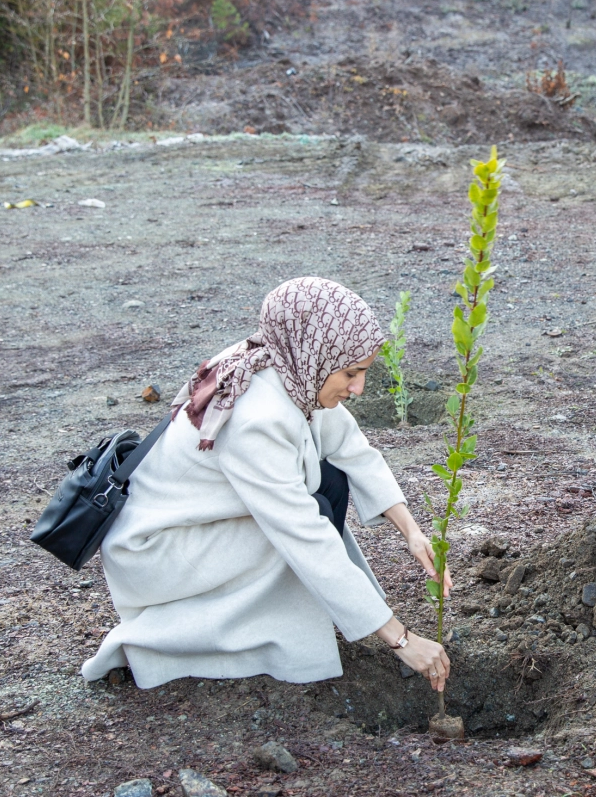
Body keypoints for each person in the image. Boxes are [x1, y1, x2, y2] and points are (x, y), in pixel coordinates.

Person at [80, 276, 453, 692]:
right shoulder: (254, 417)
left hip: (193, 527)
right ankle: (211, 638)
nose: (359, 388)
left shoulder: (292, 365)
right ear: (318, 354)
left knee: (328, 484)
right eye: (351, 372)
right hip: (160, 550)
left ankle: (290, 617)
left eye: (363, 371)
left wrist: (413, 533)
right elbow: (302, 535)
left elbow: (350, 445)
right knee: (304, 528)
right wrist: (401, 639)